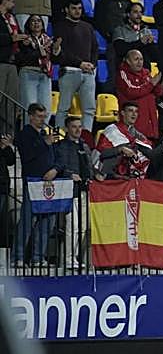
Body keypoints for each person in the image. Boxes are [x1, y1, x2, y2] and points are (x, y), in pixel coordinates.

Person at [13, 103, 56, 266]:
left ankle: (38, 257)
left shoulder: (45, 134)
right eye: (39, 116)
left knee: (47, 220)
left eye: (44, 116)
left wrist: (55, 169)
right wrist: (44, 143)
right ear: (30, 116)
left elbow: (54, 156)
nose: (42, 120)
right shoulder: (25, 134)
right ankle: (18, 256)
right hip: (32, 181)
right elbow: (27, 155)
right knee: (27, 219)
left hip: (48, 183)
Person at [51, 115, 92, 269]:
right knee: (72, 226)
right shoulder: (61, 146)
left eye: (79, 127)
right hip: (70, 191)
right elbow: (58, 165)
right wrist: (69, 174)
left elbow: (88, 166)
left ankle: (73, 257)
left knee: (82, 228)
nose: (77, 130)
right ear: (67, 128)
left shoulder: (84, 146)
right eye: (74, 127)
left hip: (85, 190)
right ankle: (67, 259)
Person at [52, 0, 98, 134]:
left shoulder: (88, 26)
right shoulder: (60, 26)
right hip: (69, 72)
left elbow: (95, 49)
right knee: (63, 108)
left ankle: (86, 139)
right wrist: (80, 63)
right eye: (74, 8)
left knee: (89, 110)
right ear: (67, 9)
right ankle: (59, 137)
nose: (77, 11)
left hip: (88, 72)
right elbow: (62, 52)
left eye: (79, 8)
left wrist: (93, 64)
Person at [96, 102, 153, 180]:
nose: (134, 114)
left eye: (136, 111)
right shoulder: (112, 130)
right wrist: (121, 149)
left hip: (129, 173)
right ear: (123, 113)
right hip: (109, 172)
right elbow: (102, 154)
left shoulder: (138, 134)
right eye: (130, 110)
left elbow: (150, 152)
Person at [115, 49, 161, 141]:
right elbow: (131, 92)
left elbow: (158, 92)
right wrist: (151, 84)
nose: (139, 62)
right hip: (134, 126)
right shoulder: (123, 74)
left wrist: (160, 83)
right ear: (128, 61)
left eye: (141, 59)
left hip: (150, 125)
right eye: (136, 59)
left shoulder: (146, 73)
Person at [15, 15, 56, 114]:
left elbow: (55, 58)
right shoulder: (23, 41)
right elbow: (22, 58)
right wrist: (39, 52)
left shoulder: (48, 41)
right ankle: (28, 129)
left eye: (38, 21)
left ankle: (43, 129)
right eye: (33, 21)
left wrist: (56, 50)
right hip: (29, 73)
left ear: (42, 25)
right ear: (28, 25)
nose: (36, 23)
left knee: (46, 108)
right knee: (29, 107)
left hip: (45, 74)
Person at [110, 1, 156, 67]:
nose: (139, 15)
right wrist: (140, 42)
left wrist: (152, 44)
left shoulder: (146, 31)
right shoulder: (120, 30)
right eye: (135, 12)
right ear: (128, 14)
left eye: (140, 12)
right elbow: (120, 50)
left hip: (145, 70)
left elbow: (153, 54)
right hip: (127, 67)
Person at [0, 0, 25, 112]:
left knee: (11, 101)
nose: (14, 4)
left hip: (13, 63)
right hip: (1, 62)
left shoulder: (12, 18)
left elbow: (18, 34)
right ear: (3, 1)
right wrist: (12, 38)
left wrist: (23, 40)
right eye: (11, 1)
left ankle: (8, 131)